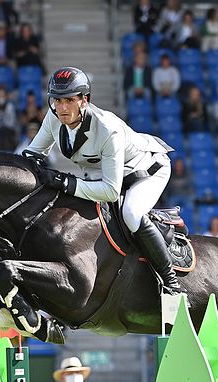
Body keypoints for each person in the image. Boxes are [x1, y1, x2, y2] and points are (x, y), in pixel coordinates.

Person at [24, 67, 184, 295]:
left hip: (146, 170)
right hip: (103, 174)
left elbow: (110, 191)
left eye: (69, 100)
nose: (62, 108)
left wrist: (65, 183)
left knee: (131, 213)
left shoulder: (108, 130)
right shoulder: (54, 117)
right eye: (57, 100)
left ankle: (171, 284)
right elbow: (32, 154)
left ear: (84, 100)